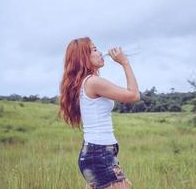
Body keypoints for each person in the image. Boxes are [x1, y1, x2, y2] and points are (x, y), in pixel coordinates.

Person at [58, 37, 140, 189]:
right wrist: (125, 63)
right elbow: (134, 95)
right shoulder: (93, 82)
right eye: (94, 49)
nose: (101, 52)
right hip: (99, 154)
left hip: (97, 153)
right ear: (83, 57)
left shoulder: (86, 82)